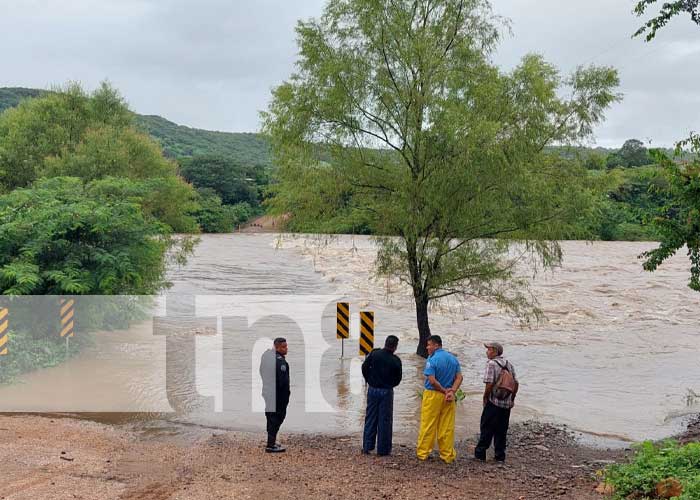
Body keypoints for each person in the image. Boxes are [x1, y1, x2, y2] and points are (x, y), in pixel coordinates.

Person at [416, 335, 463, 463]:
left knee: (428, 424)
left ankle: (423, 453)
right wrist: (452, 391)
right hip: (449, 396)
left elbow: (431, 380)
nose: (427, 347)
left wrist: (443, 390)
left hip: (433, 395)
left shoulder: (432, 359)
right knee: (447, 426)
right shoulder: (453, 359)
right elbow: (459, 377)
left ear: (437, 345)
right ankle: (447, 455)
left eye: (429, 345)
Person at [474, 342, 519, 462]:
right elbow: (516, 383)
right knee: (502, 430)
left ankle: (480, 454)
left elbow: (489, 384)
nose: (486, 352)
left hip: (494, 402)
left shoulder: (491, 364)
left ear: (494, 351)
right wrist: (512, 400)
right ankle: (500, 456)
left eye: (488, 350)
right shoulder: (509, 364)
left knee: (486, 427)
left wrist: (485, 398)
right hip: (506, 404)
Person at [361, 335, 402, 456]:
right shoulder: (396, 360)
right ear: (395, 347)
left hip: (373, 389)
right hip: (386, 391)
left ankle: (367, 447)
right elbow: (398, 379)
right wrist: (390, 384)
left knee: (370, 418)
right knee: (385, 421)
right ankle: (383, 450)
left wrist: (369, 379)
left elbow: (364, 367)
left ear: (385, 343)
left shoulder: (374, 354)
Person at [259, 337, 290, 453]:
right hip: (276, 395)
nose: (286, 349)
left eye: (286, 346)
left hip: (267, 391)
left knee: (270, 416)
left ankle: (271, 441)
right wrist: (285, 396)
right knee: (277, 417)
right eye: (283, 347)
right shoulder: (280, 362)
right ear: (276, 347)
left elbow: (261, 371)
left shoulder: (266, 356)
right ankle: (270, 445)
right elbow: (283, 382)